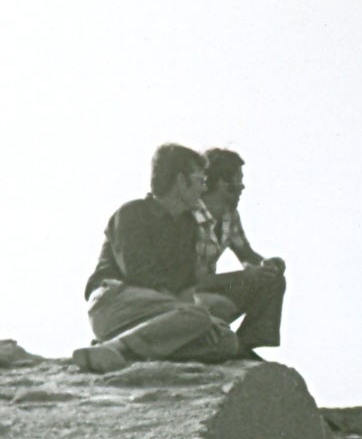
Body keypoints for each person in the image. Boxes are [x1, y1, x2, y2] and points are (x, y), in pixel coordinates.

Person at [74, 144, 240, 373]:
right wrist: (194, 316)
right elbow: (139, 274)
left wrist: (205, 324)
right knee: (199, 316)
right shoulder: (132, 213)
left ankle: (125, 350)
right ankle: (115, 347)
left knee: (225, 340)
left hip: (158, 314)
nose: (203, 190)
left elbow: (185, 290)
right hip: (114, 302)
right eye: (200, 181)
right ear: (181, 181)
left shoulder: (187, 227)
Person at [194, 148, 287, 351]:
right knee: (217, 302)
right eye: (238, 180)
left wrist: (266, 266)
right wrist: (244, 275)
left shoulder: (229, 215)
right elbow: (187, 279)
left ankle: (245, 346)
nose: (242, 187)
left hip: (209, 287)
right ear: (221, 183)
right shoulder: (189, 216)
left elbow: (246, 254)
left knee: (273, 279)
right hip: (185, 293)